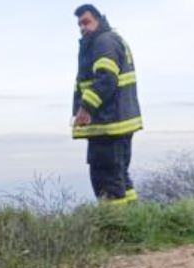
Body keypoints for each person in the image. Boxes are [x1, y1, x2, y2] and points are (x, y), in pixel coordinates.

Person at [72, 4, 142, 204]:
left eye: (86, 22)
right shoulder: (112, 40)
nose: (83, 28)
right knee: (119, 178)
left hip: (107, 125)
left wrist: (85, 108)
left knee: (106, 181)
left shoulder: (102, 41)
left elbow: (106, 79)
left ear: (98, 19)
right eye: (79, 25)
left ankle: (115, 231)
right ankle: (134, 223)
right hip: (118, 124)